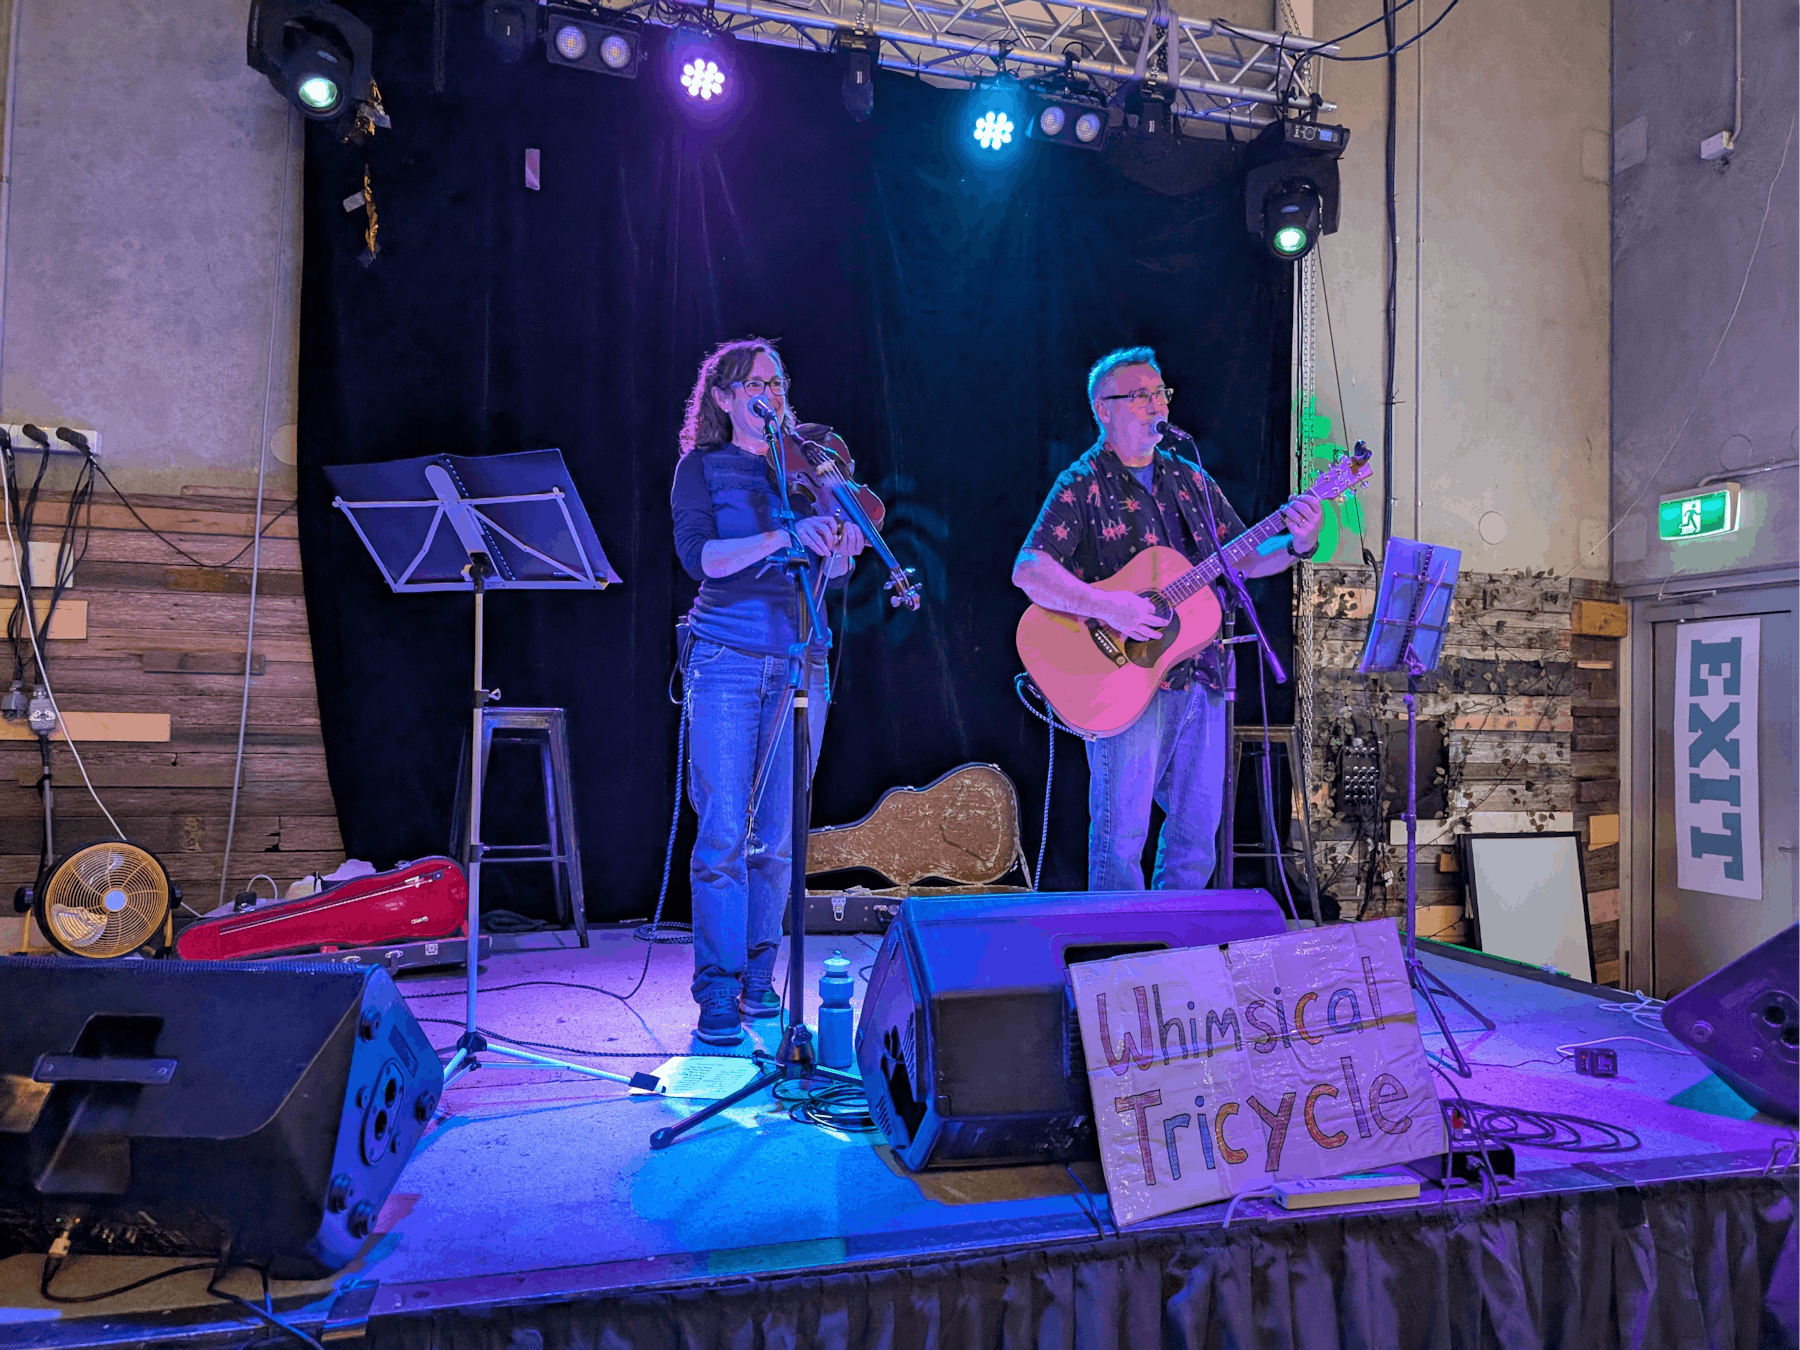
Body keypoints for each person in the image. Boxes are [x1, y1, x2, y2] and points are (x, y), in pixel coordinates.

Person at [1012, 346, 1321, 892]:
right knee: (1122, 834)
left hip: (1201, 670)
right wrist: (1113, 607)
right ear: (1103, 410)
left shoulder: (1189, 479)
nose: (1157, 404)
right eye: (1140, 396)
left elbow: (1241, 557)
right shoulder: (1081, 483)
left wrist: (1299, 542)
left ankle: (1171, 954)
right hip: (1121, 679)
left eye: (1161, 393)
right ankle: (1114, 959)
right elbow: (1030, 571)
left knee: (1197, 832)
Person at [670, 338, 866, 1045]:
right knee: (723, 831)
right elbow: (701, 558)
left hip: (802, 659)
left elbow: (835, 571)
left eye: (779, 382)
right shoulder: (702, 469)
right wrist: (783, 541)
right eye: (756, 383)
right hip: (724, 658)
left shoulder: (805, 468)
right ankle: (716, 990)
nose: (771, 394)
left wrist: (838, 546)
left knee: (779, 840)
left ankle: (761, 978)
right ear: (723, 397)